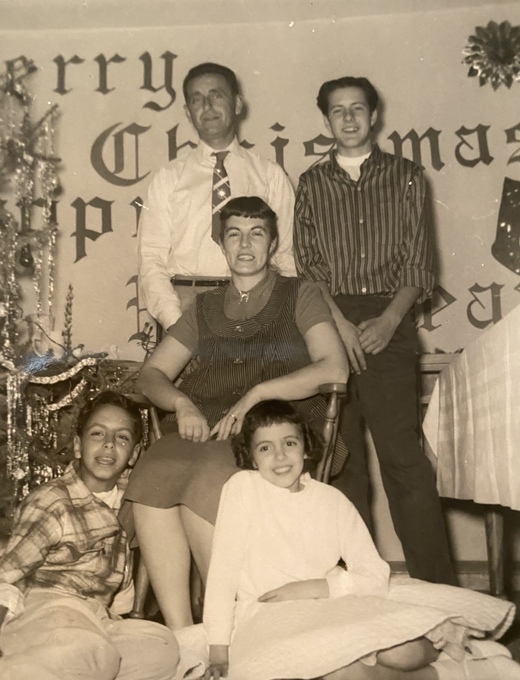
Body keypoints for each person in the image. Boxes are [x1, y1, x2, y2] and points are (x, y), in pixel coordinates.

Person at [125, 195, 349, 631]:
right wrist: (181, 403)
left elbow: (334, 368)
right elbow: (151, 374)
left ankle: (228, 622)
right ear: (221, 244)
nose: (245, 245)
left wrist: (257, 394)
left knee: (209, 471)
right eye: (234, 234)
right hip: (208, 428)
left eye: (256, 233)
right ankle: (181, 630)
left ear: (273, 242)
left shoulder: (299, 294)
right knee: (156, 466)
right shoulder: (204, 307)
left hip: (278, 429)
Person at [203, 400, 519, 680]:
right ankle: (456, 673)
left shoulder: (331, 501)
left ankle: (458, 656)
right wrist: (218, 650)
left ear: (306, 447)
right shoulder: (243, 489)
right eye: (265, 448)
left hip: (330, 605)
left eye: (289, 442)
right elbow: (222, 574)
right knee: (339, 671)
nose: (280, 455)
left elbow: (374, 574)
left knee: (403, 653)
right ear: (251, 457)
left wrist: (316, 587)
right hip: (268, 616)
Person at [294, 75, 456, 585]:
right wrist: (338, 326)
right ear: (326, 120)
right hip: (330, 324)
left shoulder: (407, 176)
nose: (348, 118)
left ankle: (438, 588)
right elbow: (309, 268)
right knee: (343, 462)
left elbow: (419, 263)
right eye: (337, 110)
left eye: (357, 108)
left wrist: (388, 321)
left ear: (374, 115)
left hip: (391, 320)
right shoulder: (311, 184)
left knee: (403, 459)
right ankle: (359, 588)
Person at [0, 391, 179, 680]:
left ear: (134, 454)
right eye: (97, 433)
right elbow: (7, 573)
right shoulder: (53, 500)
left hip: (97, 616)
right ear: (78, 446)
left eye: (122, 438)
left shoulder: (129, 505)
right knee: (89, 652)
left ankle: (61, 667)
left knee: (162, 648)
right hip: (49, 606)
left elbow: (121, 596)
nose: (109, 443)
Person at [138, 61, 296, 332]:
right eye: (196, 99)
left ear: (237, 104)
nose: (207, 106)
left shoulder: (269, 175)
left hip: (255, 307)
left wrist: (276, 317)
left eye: (216, 95)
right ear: (188, 113)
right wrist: (176, 324)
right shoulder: (168, 178)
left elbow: (286, 256)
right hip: (185, 306)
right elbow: (151, 258)